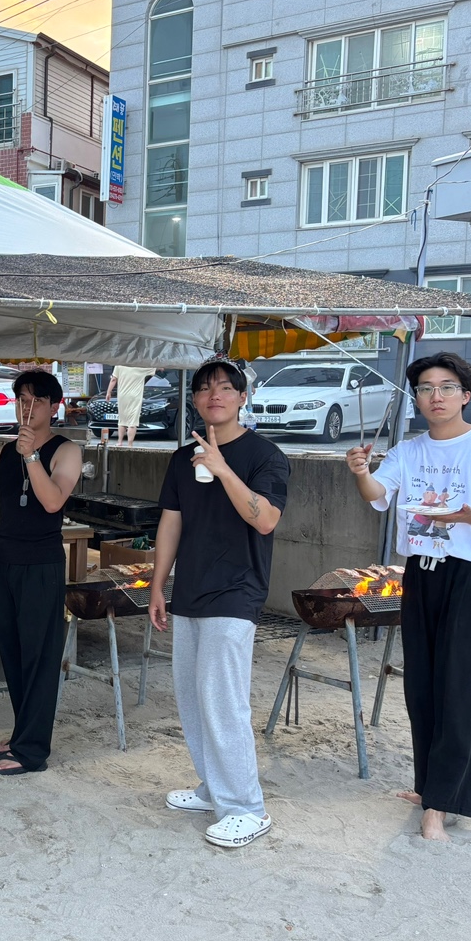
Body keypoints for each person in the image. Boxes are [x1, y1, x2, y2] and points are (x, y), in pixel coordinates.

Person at [346, 352, 471, 842]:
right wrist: (360, 471)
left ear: (466, 395)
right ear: (416, 398)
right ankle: (429, 786)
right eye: (426, 388)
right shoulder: (408, 451)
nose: (436, 396)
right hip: (422, 573)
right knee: (423, 687)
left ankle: (442, 804)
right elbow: (376, 494)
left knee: (463, 689)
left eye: (447, 387)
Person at [148, 360, 289, 849]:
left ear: (242, 397)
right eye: (206, 388)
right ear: (194, 399)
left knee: (223, 699)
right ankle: (214, 787)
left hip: (237, 590)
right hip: (190, 588)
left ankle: (247, 808)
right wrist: (158, 585)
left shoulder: (264, 455)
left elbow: (266, 520)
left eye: (227, 388)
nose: (215, 395)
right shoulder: (182, 458)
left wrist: (223, 468)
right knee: (192, 696)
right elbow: (171, 522)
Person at [0, 370, 82, 777]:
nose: (27, 409)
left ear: (54, 406)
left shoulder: (66, 451)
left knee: (40, 657)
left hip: (41, 564)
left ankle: (31, 752)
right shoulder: (1, 453)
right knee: (13, 654)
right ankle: (22, 733)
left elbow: (52, 502)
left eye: (36, 401)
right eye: (21, 401)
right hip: (4, 562)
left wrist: (31, 457)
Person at [107, 365, 155, 448]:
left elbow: (113, 379)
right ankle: (130, 445)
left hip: (122, 396)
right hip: (135, 397)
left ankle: (119, 442)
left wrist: (108, 392)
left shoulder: (119, 365)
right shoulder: (140, 366)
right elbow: (155, 367)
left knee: (122, 419)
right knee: (132, 422)